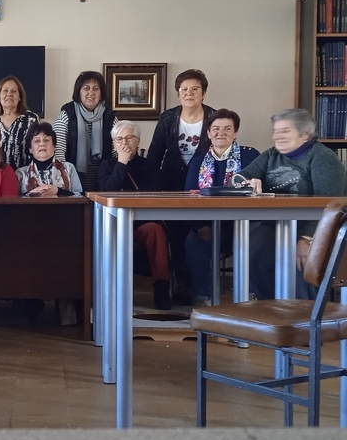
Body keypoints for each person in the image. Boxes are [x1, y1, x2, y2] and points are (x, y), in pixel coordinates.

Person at [232, 108, 347, 300]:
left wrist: (307, 238)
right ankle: (270, 308)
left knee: (301, 262)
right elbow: (237, 177)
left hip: (316, 229)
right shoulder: (270, 156)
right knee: (254, 250)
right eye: (276, 131)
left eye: (285, 131)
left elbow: (330, 206)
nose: (277, 136)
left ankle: (306, 318)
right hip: (276, 226)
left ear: (306, 133)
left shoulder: (323, 158)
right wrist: (246, 182)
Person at [146, 69, 217, 300]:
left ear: (203, 93)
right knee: (176, 235)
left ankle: (202, 287)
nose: (189, 93)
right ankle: (183, 284)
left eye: (194, 89)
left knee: (199, 233)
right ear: (178, 94)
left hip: (204, 186)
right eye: (184, 89)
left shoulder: (214, 118)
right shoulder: (168, 118)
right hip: (172, 184)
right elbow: (155, 155)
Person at [183, 109, 260, 306]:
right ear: (208, 133)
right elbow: (189, 196)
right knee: (193, 241)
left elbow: (260, 192)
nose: (221, 133)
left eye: (227, 129)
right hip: (211, 224)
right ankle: (204, 296)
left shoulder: (250, 157)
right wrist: (200, 225)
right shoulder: (198, 162)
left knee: (255, 240)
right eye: (215, 129)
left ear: (235, 133)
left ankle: (249, 295)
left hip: (245, 223)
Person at [97, 121, 171, 310]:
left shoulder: (150, 166)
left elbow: (155, 194)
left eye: (129, 138)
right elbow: (107, 191)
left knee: (155, 230)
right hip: (113, 224)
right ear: (114, 144)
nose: (124, 143)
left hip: (141, 222)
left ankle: (162, 288)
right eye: (119, 139)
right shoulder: (106, 165)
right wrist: (121, 164)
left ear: (138, 141)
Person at [53, 71, 117, 191]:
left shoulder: (110, 117)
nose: (91, 93)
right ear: (79, 91)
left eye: (96, 88)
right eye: (86, 88)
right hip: (73, 181)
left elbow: (117, 152)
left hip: (103, 182)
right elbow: (58, 152)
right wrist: (66, 180)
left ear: (101, 93)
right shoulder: (66, 114)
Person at [0, 76, 40, 169]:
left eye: (13, 91)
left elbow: (38, 150)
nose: (9, 94)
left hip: (25, 177)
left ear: (20, 97)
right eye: (5, 91)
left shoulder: (31, 119)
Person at [16, 122, 83, 197]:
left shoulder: (69, 168)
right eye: (37, 141)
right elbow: (14, 200)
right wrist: (32, 194)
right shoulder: (21, 174)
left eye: (46, 140)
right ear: (30, 149)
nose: (42, 144)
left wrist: (58, 191)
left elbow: (80, 197)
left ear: (54, 146)